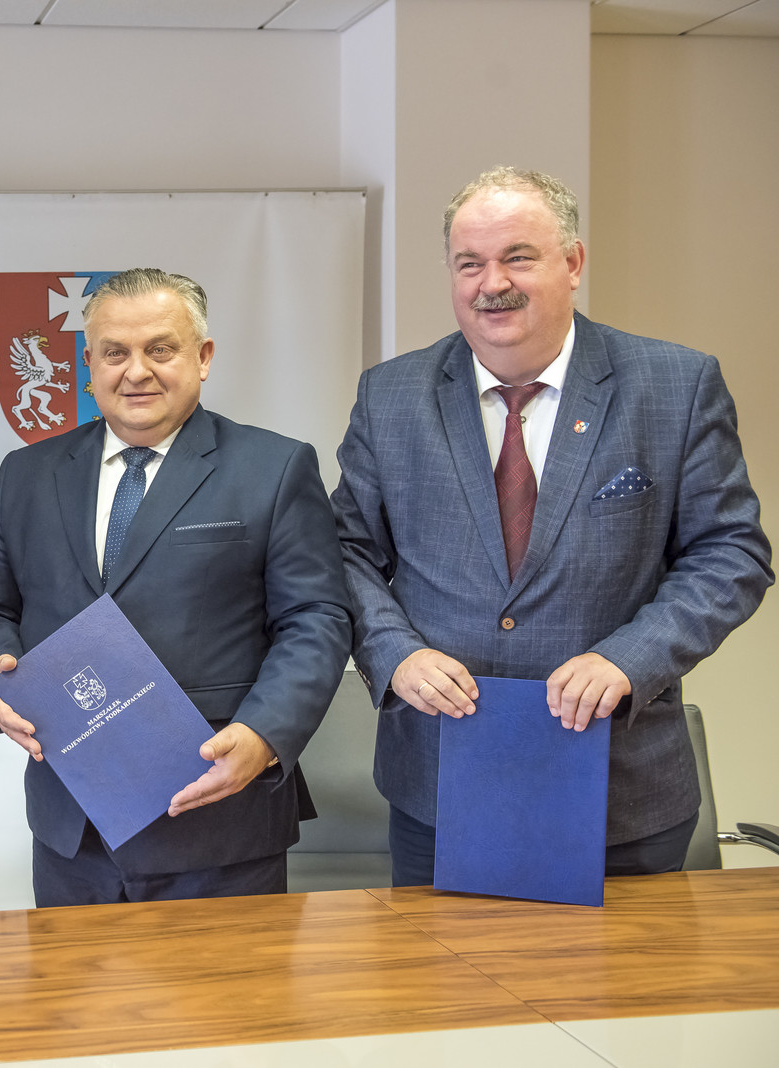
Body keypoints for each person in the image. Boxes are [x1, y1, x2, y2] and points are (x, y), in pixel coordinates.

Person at [331, 166, 772, 886]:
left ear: (572, 263)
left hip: (622, 789)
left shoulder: (675, 384)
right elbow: (345, 550)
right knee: (444, 965)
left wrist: (629, 658)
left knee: (625, 966)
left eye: (518, 257)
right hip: (440, 782)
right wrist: (393, 652)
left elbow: (732, 554)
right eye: (469, 263)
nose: (492, 283)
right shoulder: (392, 394)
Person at [0, 268, 352, 905]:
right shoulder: (28, 472)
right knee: (71, 979)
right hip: (72, 828)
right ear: (88, 366)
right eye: (115, 352)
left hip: (218, 816)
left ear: (204, 357)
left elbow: (316, 619)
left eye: (160, 349)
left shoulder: (274, 467)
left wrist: (265, 734)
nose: (136, 371)